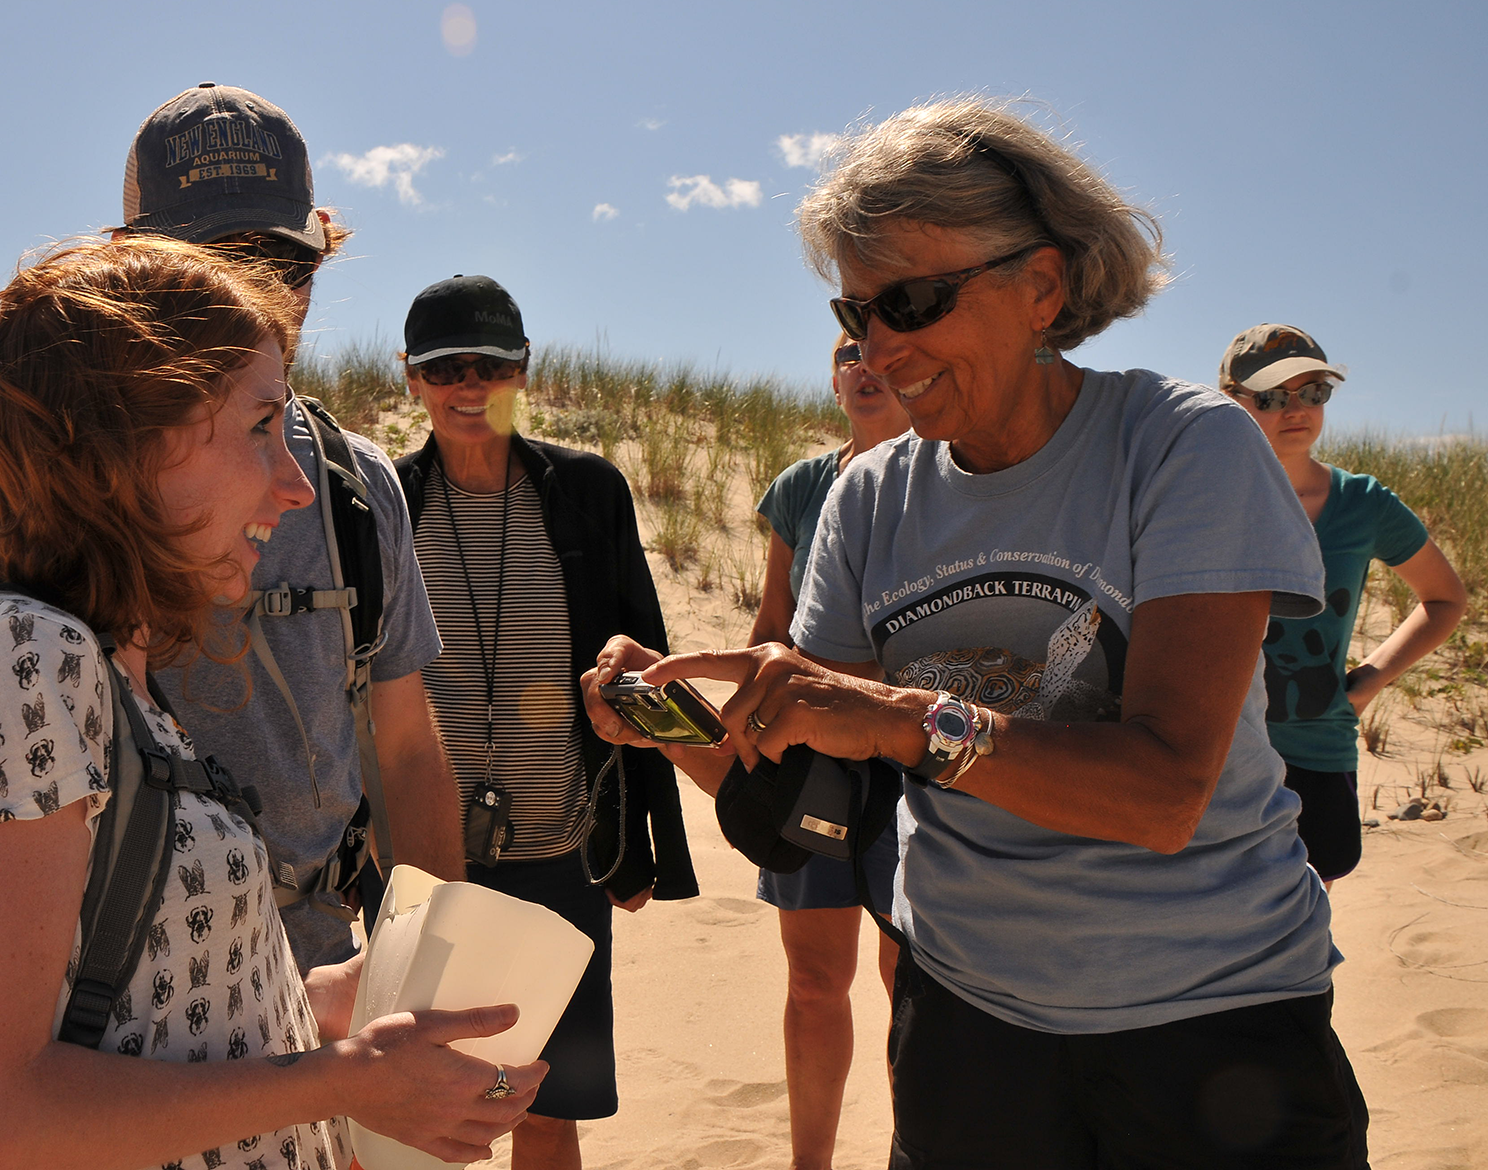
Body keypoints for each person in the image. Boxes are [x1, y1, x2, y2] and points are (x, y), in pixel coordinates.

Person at [584, 99, 1371, 1168]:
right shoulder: (866, 499)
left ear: (1042, 286)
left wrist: (900, 718)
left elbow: (1164, 790)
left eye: (910, 300)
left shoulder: (1187, 447)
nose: (878, 347)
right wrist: (674, 724)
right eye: (855, 312)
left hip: (1215, 1027)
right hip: (970, 1031)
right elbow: (827, 805)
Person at [0, 237, 544, 1170]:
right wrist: (345, 1082)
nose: (294, 482)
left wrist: (310, 1006)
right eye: (259, 426)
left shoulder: (116, 672)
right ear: (125, 442)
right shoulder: (17, 654)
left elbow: (140, 1020)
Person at [0, 83, 462, 971]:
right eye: (213, 267)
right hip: (88, 991)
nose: (253, 298)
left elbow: (406, 750)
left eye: (279, 264)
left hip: (317, 966)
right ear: (127, 272)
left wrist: (431, 986)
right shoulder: (16, 472)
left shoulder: (353, 486)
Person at [391, 275, 699, 1170]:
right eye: (444, 365)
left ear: (524, 370)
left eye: (491, 363)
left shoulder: (587, 491)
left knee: (544, 1104)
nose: (468, 383)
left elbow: (647, 660)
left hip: (561, 849)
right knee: (411, 1106)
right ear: (411, 377)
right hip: (422, 858)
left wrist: (644, 848)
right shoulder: (387, 503)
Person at [1221, 323, 1465, 885]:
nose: (1295, 409)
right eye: (1271, 397)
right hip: (1217, 746)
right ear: (1230, 402)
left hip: (1316, 744)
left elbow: (1444, 598)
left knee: (1308, 911)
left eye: (1313, 392)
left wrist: (1370, 681)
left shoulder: (1364, 504)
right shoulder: (1195, 496)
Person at [748, 332, 910, 1170]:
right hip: (809, 763)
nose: (866, 366)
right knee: (814, 984)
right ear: (833, 372)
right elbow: (770, 632)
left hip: (915, 765)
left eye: (880, 351)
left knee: (908, 986)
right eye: (849, 351)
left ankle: (908, 1150)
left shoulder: (948, 479)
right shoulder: (803, 486)